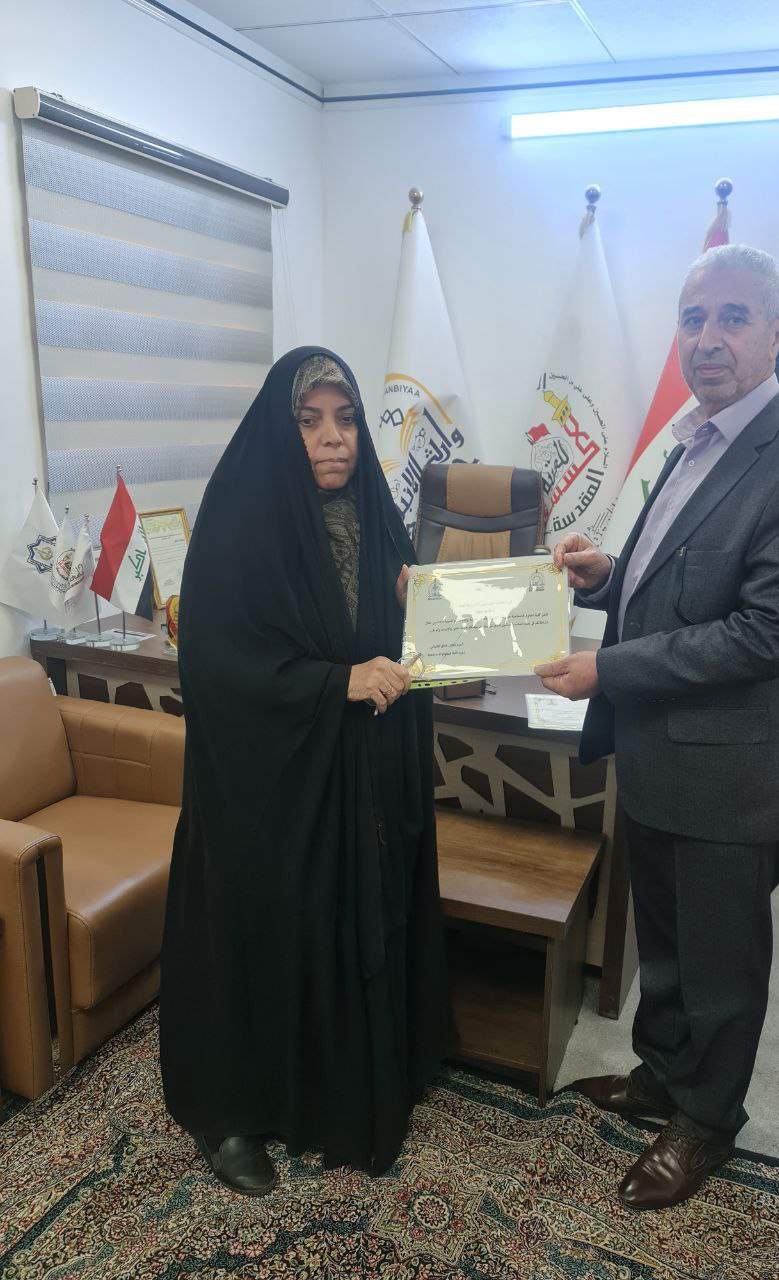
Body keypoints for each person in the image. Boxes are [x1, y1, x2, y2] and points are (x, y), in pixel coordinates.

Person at [535, 245, 779, 1211]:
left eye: (731, 317)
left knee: (722, 962)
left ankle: (707, 1122)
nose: (707, 339)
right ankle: (663, 1077)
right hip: (661, 750)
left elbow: (768, 633)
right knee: (668, 941)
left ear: (777, 332)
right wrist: (608, 575)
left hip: (734, 766)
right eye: (692, 319)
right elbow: (679, 571)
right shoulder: (695, 437)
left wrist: (607, 668)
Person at [160, 347, 452, 1195]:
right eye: (310, 420)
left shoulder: (374, 513)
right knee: (262, 927)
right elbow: (218, 665)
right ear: (279, 429)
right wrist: (336, 683)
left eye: (347, 419)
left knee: (341, 916)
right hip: (266, 790)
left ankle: (338, 1086)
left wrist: (411, 609)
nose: (334, 438)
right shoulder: (239, 517)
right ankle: (230, 1111)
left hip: (352, 778)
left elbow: (397, 640)